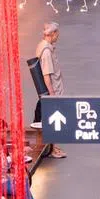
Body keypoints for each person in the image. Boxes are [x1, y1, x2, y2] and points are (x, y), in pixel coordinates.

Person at [35, 22, 68, 158]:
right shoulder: (47, 52)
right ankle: (53, 149)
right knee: (53, 119)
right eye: (57, 33)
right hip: (52, 90)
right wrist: (52, 95)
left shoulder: (43, 46)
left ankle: (53, 146)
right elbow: (47, 75)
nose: (58, 36)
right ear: (52, 34)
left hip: (51, 90)